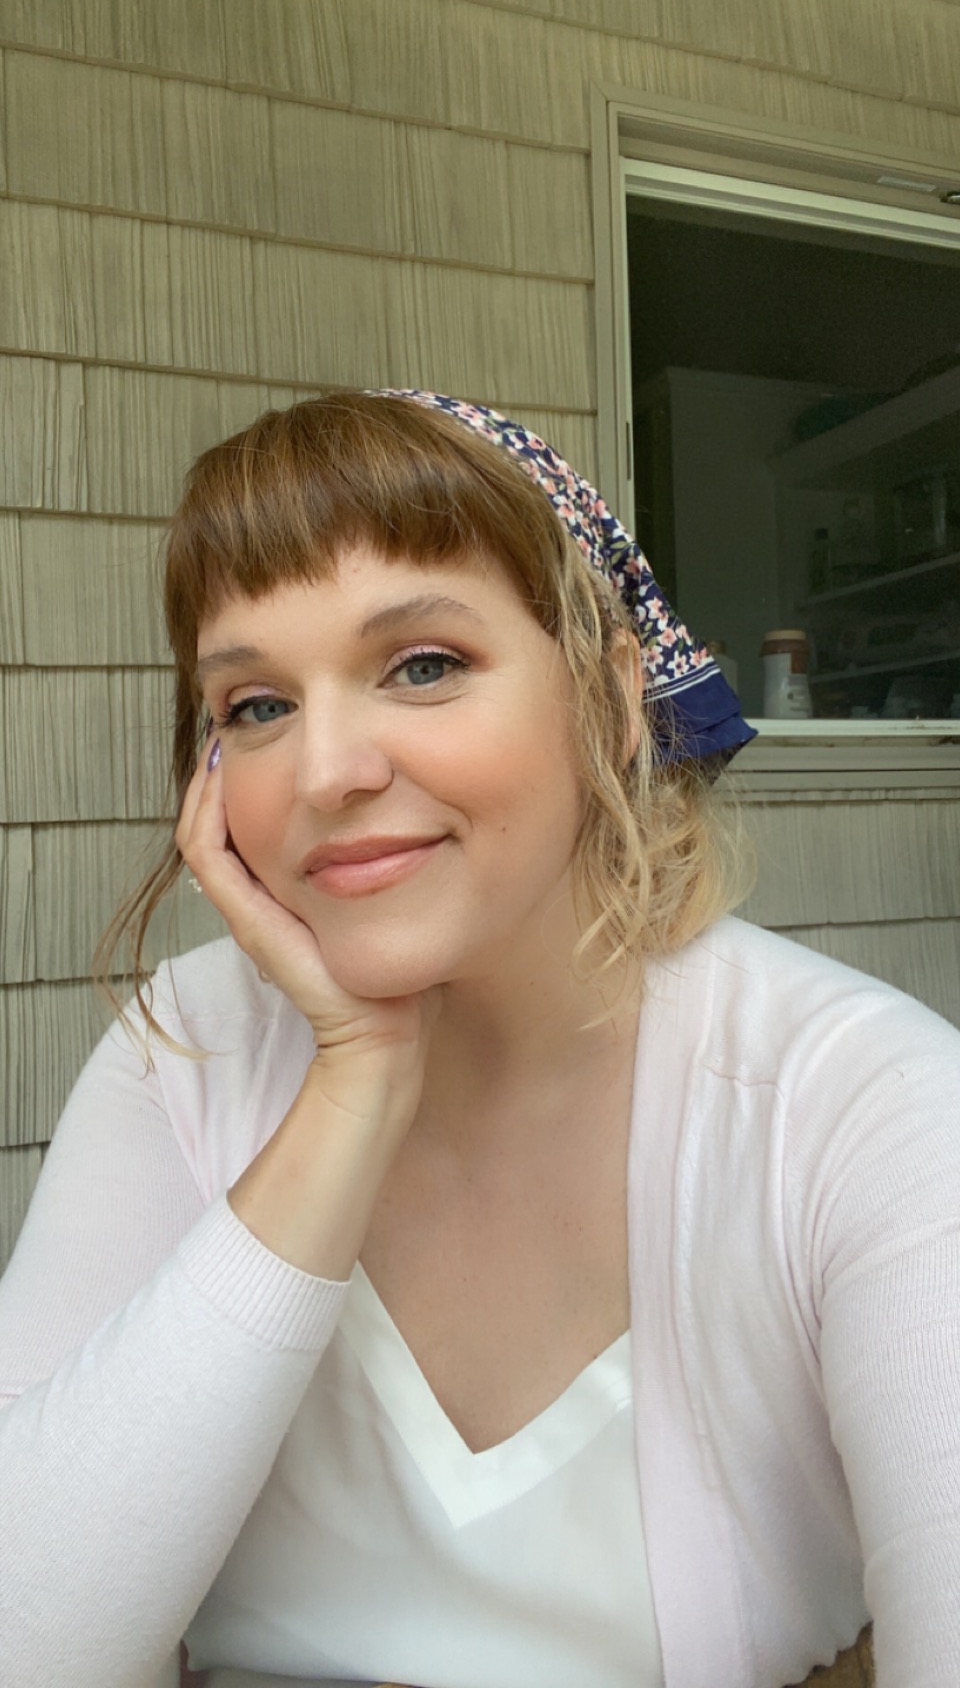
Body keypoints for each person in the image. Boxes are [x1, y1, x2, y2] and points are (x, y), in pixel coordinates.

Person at [1, 390, 958, 1688]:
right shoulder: (186, 1047)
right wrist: (353, 1079)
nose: (326, 770)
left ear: (610, 698)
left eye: (424, 666)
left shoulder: (856, 1103)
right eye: (256, 705)